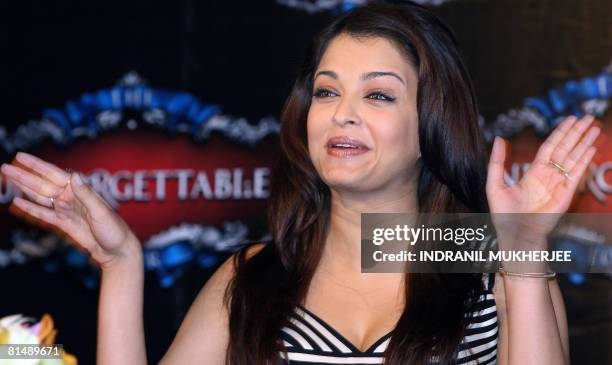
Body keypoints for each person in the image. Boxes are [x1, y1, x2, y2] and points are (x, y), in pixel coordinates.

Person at [1, 2, 601, 364]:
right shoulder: (253, 278)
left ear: (431, 123)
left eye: (378, 95)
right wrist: (121, 265)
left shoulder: (496, 268)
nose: (343, 112)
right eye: (327, 91)